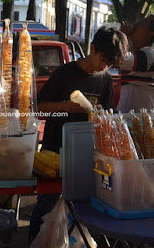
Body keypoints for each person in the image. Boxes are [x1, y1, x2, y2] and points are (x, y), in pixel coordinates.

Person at [29, 27, 129, 241]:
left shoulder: (104, 79)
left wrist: (103, 115)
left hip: (86, 156)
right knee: (46, 205)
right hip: (54, 153)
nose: (104, 67)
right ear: (91, 48)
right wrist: (66, 106)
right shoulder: (64, 73)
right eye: (103, 60)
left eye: (109, 64)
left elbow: (109, 115)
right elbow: (39, 108)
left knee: (82, 209)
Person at [117, 13, 154, 113]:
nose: (136, 25)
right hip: (134, 121)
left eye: (142, 23)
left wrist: (123, 35)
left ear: (151, 33)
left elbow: (119, 59)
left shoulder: (151, 54)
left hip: (144, 123)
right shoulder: (143, 54)